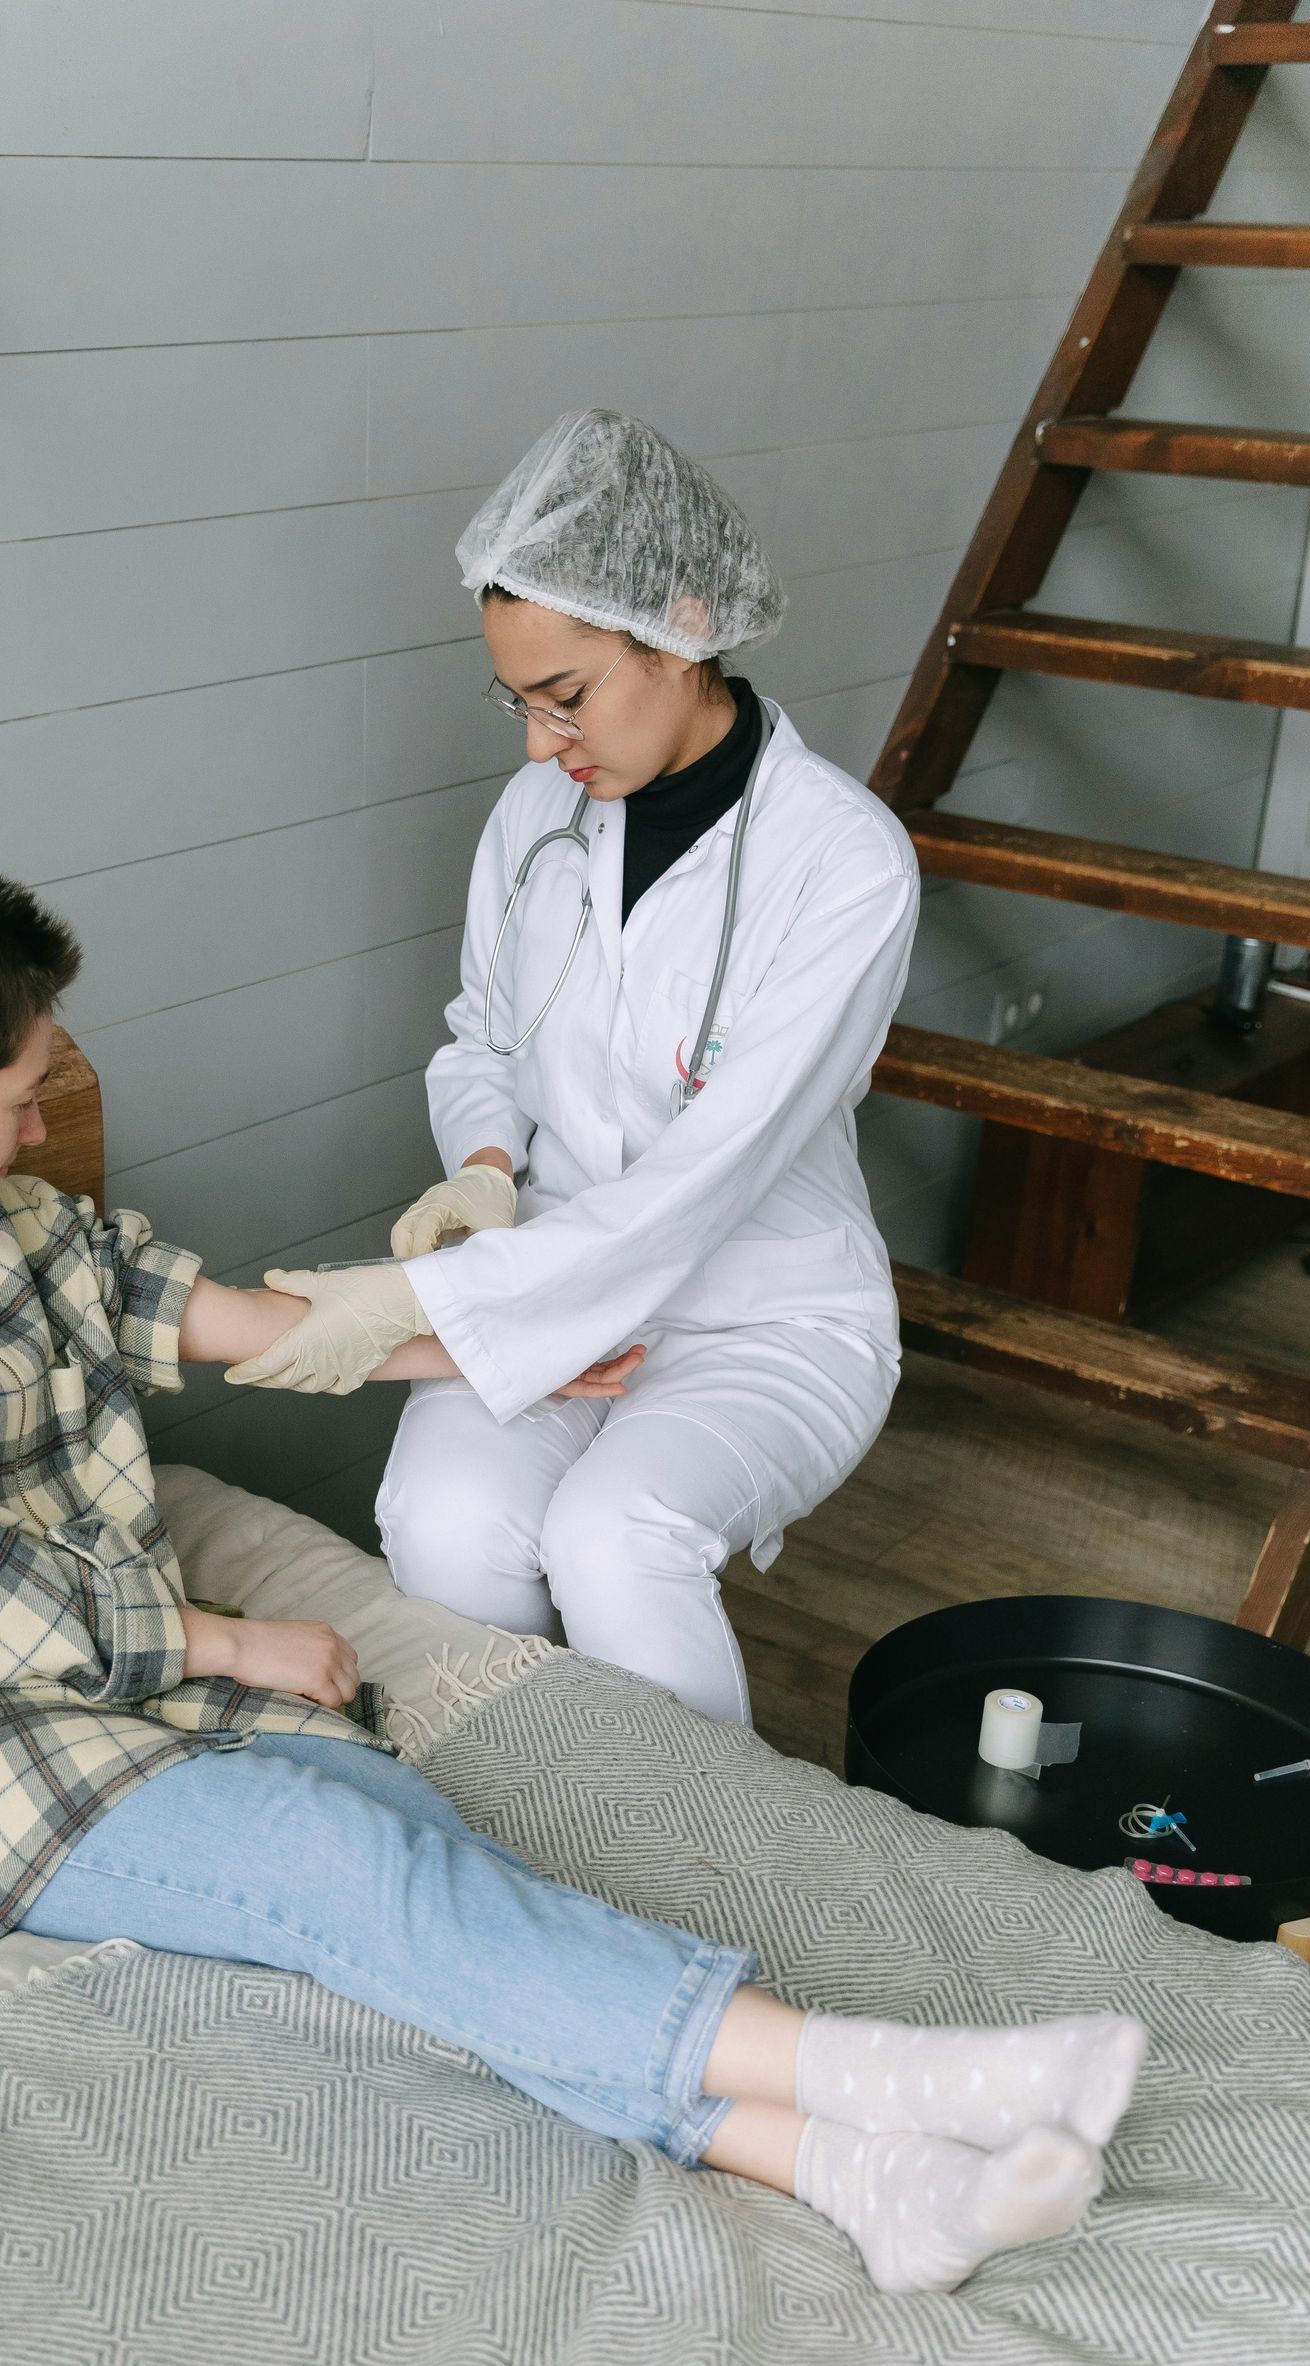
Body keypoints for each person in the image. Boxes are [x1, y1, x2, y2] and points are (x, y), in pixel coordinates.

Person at [0, 861, 1144, 2294]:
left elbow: (239, 1321)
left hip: (121, 1691)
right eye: (20, 1103)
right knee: (342, 1867)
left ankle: (847, 2177)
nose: (39, 1135)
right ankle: (891, 2074)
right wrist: (228, 1643)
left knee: (420, 1851)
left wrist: (508, 1356)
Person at [229, 410, 917, 1731]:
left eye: (568, 698)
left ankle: (720, 1880)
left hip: (764, 1312)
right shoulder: (535, 816)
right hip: (545, 1275)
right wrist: (486, 1167)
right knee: (443, 1524)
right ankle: (534, 1833)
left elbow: (701, 1187)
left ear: (686, 628)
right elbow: (483, 1034)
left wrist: (416, 1300)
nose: (542, 746)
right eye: (520, 704)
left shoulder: (843, 865)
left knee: (616, 1540)